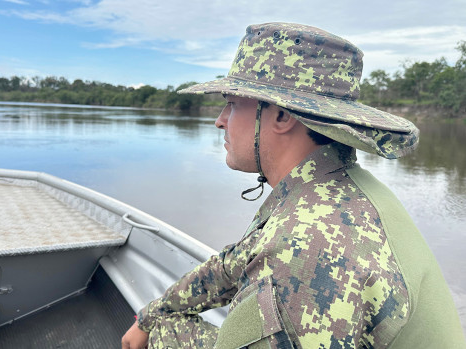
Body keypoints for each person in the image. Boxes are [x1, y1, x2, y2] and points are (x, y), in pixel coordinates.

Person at [122, 22, 466, 348]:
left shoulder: (304, 246)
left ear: (283, 116)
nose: (219, 121)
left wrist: (156, 331)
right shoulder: (338, 188)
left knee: (166, 337)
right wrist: (151, 314)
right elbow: (233, 264)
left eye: (232, 104)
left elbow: (282, 257)